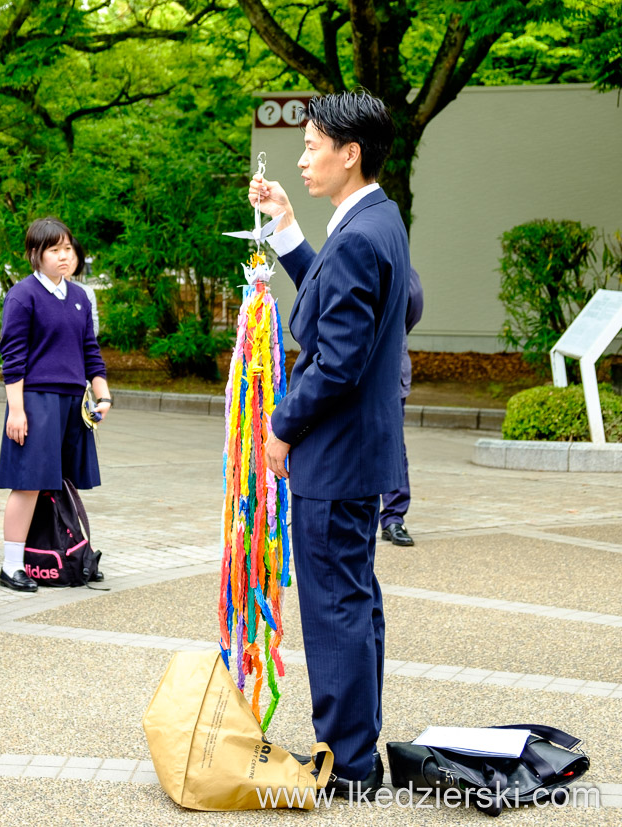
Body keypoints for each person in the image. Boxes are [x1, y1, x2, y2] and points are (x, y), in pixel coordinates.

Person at [251, 91, 409, 799]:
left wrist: (282, 426)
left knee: (335, 606)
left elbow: (339, 358)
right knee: (354, 596)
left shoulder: (357, 235)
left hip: (336, 452)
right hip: (364, 449)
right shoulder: (378, 219)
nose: (303, 155)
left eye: (313, 143)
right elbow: (377, 304)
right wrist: (287, 228)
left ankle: (346, 760)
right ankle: (356, 745)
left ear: (351, 153)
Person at [0, 218, 111, 592]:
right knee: (28, 483)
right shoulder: (22, 295)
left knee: (63, 482)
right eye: (54, 249)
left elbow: (90, 350)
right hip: (36, 401)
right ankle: (12, 565)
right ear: (36, 254)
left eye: (68, 248)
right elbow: (12, 358)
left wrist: (102, 393)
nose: (64, 256)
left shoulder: (79, 297)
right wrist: (16, 409)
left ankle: (61, 552)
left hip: (73, 402)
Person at [381, 268, 425, 546]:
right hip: (352, 370)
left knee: (393, 444)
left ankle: (394, 517)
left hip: (391, 371)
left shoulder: (400, 264)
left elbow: (415, 301)